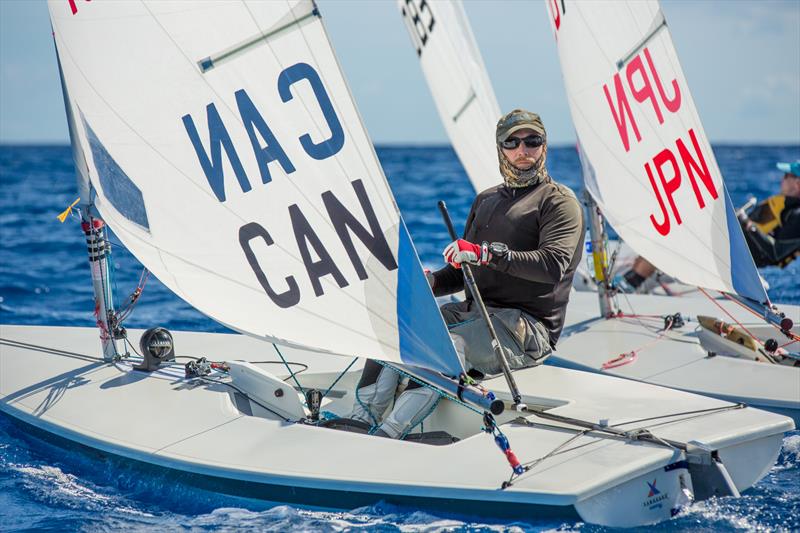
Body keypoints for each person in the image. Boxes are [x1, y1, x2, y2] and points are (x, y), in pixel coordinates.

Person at [344, 110, 585, 439]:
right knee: (398, 329)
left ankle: (388, 433)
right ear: (501, 148)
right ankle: (359, 421)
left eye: (532, 141)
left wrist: (486, 253)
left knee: (446, 343)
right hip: (476, 313)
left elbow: (552, 265)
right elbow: (465, 273)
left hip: (526, 329)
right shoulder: (486, 200)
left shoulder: (558, 202)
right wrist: (430, 282)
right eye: (512, 142)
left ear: (544, 146)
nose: (522, 150)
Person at [618, 160, 800, 292]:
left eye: (787, 176)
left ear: (798, 184)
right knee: (671, 233)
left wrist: (746, 223)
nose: (782, 179)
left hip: (736, 257)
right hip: (728, 245)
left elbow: (776, 253)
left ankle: (627, 286)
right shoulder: (784, 206)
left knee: (671, 241)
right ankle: (635, 280)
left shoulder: (797, 216)